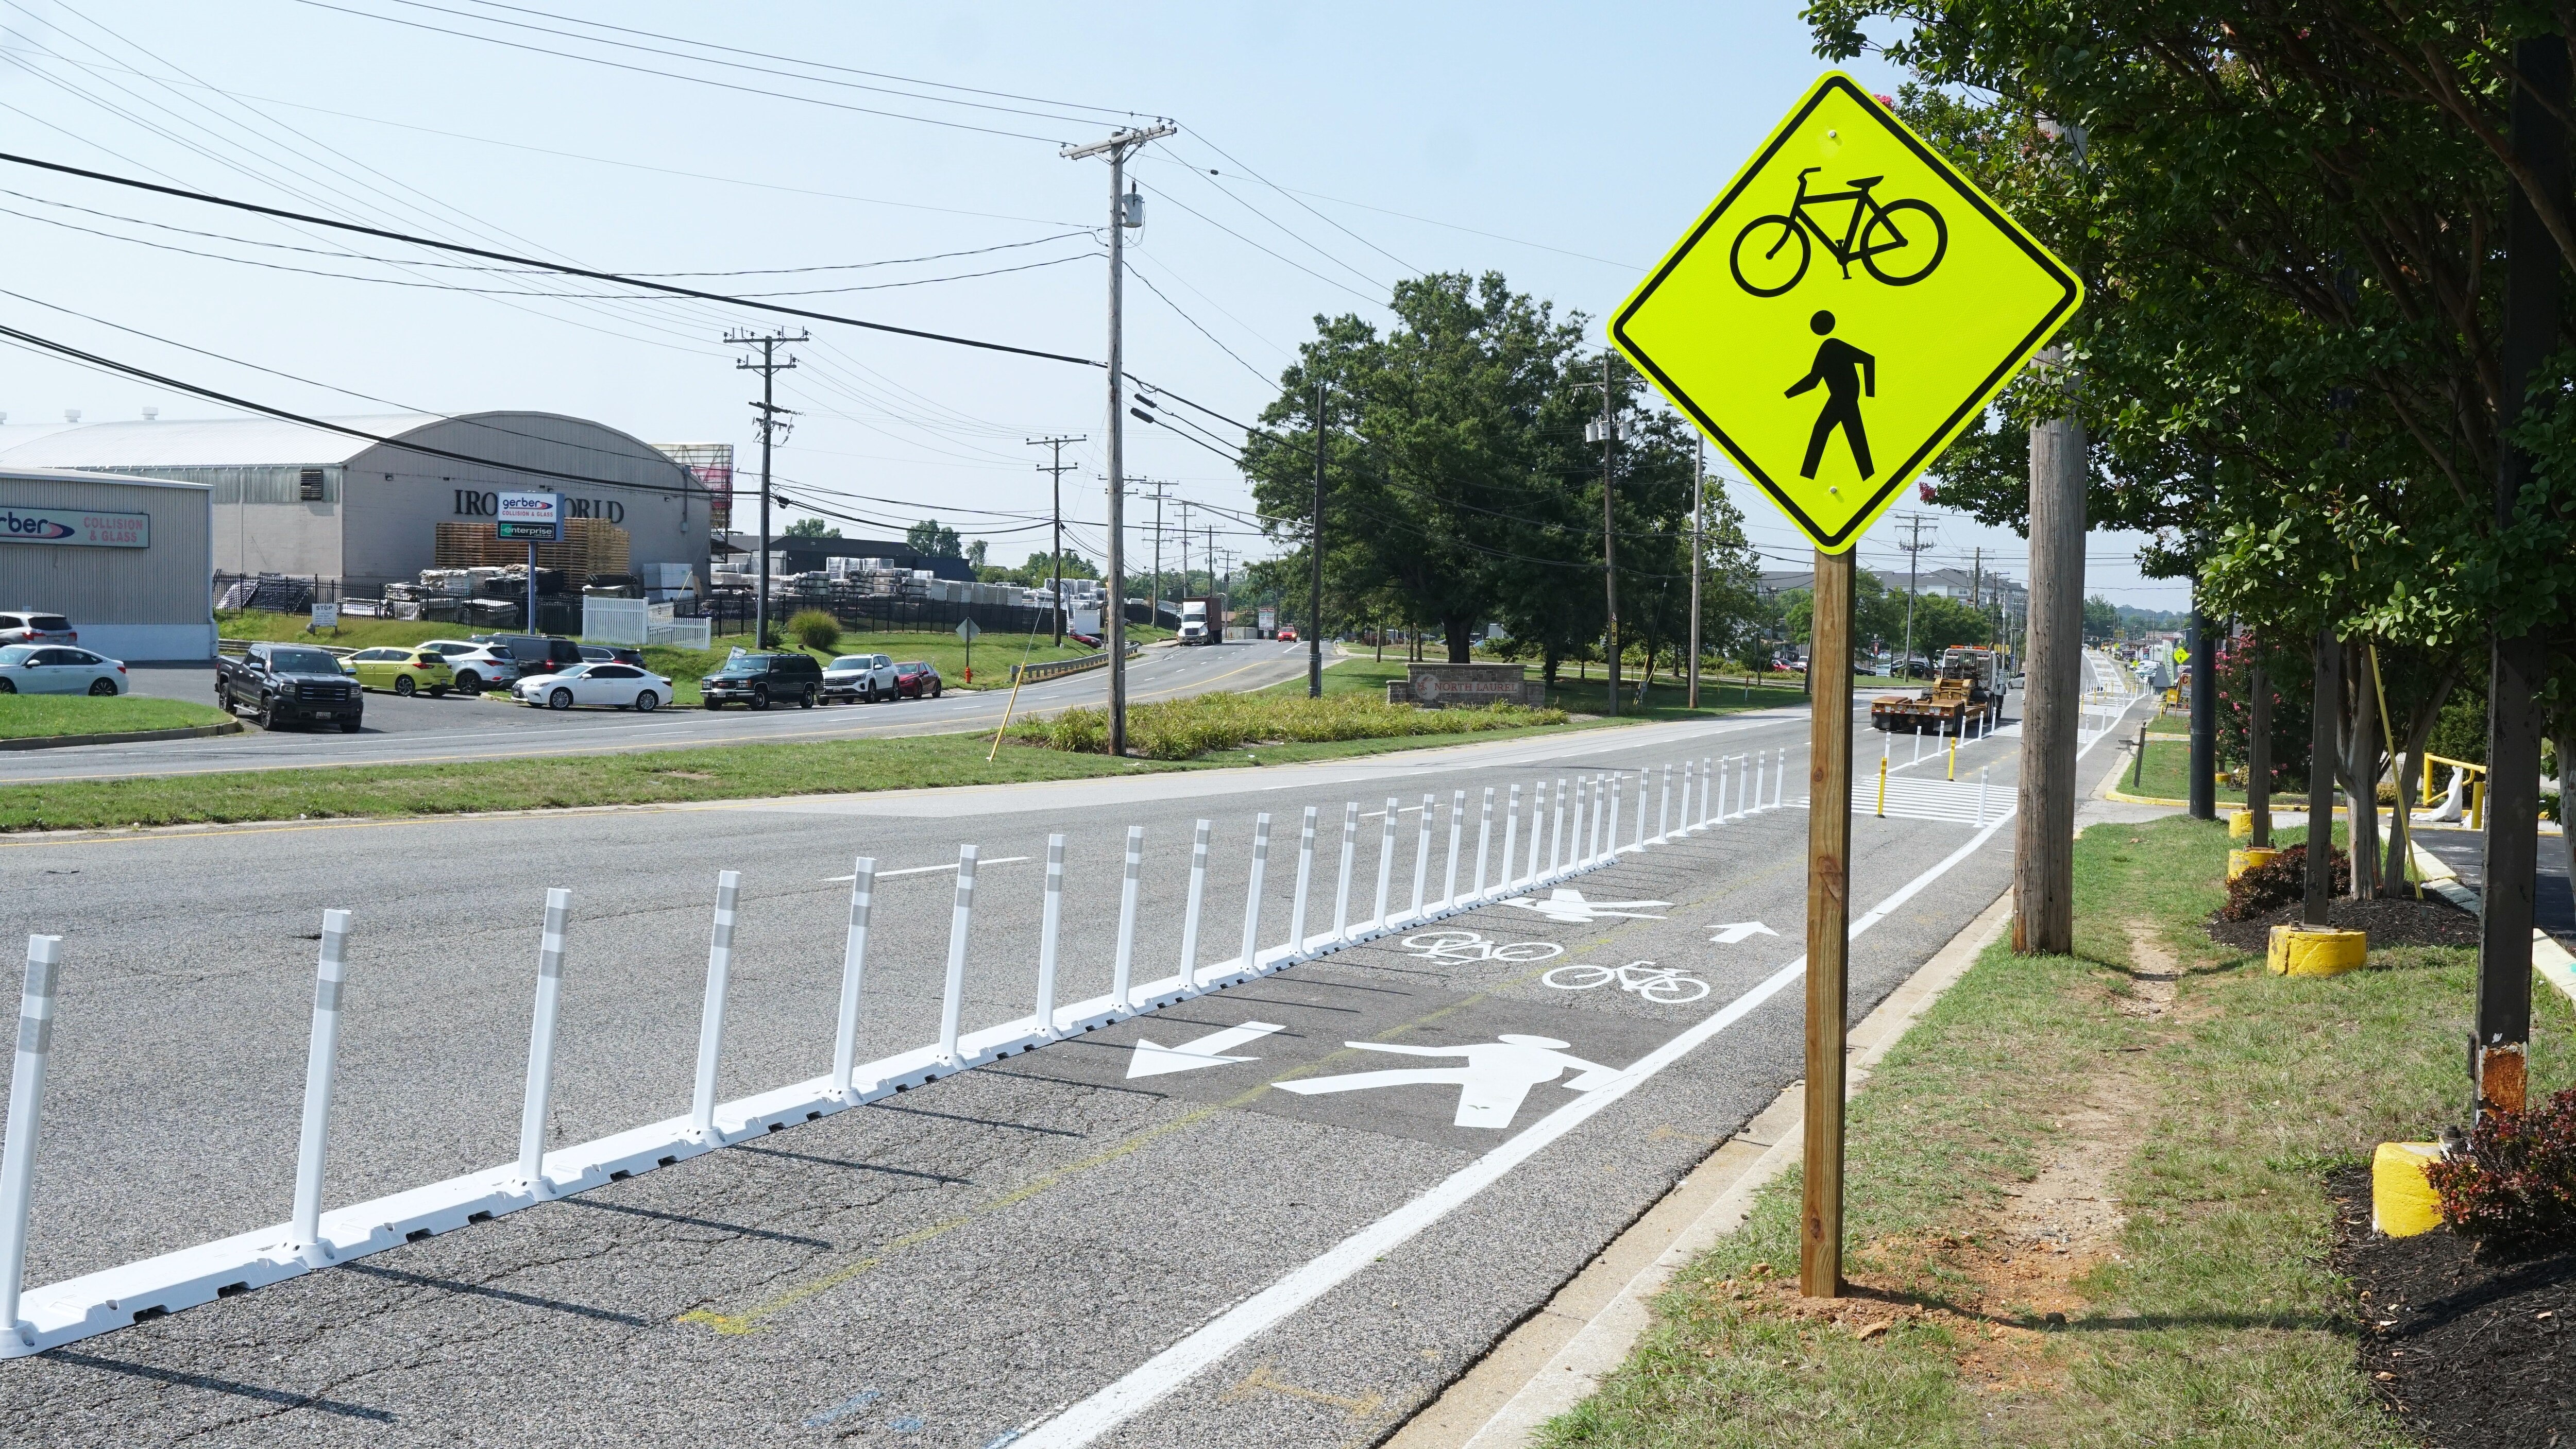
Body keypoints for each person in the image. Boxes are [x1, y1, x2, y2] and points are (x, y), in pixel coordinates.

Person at [1274, 1034, 1619, 1128]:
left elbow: (1434, 1052)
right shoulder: (1551, 1057)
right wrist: (1366, 1044)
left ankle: (1307, 1086)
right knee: (1404, 1074)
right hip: (1486, 1076)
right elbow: (1435, 1052)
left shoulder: (1546, 1056)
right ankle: (1306, 1086)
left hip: (1499, 1079)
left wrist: (1580, 1090)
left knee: (1404, 1075)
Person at [1785, 309, 1876, 480]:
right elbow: (1813, 381)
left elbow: (1869, 359)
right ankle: (1868, 475)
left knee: (1824, 430)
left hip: (1845, 398)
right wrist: (1788, 395)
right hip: (1841, 397)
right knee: (1854, 437)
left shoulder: (1832, 345)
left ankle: (1807, 476)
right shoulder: (1827, 347)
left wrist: (1870, 394)